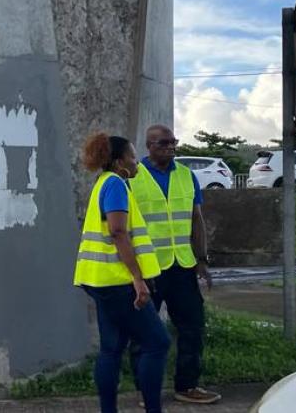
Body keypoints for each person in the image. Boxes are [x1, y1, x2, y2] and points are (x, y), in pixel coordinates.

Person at [73, 132, 170, 413]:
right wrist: (138, 280)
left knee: (111, 348)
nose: (137, 161)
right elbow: (118, 231)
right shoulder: (116, 185)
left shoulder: (103, 182)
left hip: (99, 279)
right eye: (132, 156)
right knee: (157, 342)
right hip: (118, 282)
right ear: (119, 162)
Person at [129, 124, 222, 405]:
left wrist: (202, 260)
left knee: (192, 326)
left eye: (173, 142)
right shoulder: (133, 177)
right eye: (164, 143)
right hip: (149, 268)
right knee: (143, 332)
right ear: (149, 146)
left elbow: (196, 219)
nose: (171, 147)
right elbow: (124, 227)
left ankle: (187, 385)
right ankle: (146, 390)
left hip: (182, 266)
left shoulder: (186, 176)